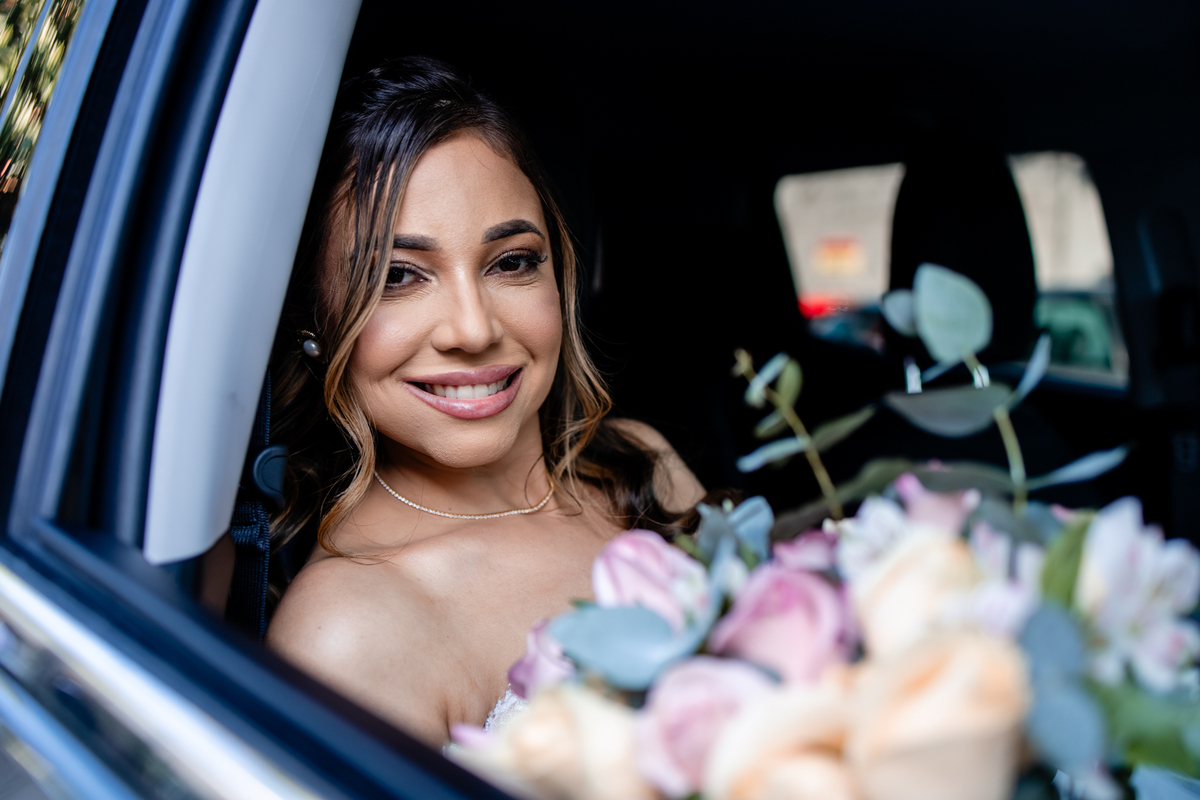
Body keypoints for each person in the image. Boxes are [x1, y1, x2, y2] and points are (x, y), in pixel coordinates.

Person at [264, 57, 707, 747]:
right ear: (313, 319)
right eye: (398, 276)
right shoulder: (347, 630)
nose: (473, 331)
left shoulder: (640, 461)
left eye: (511, 262)